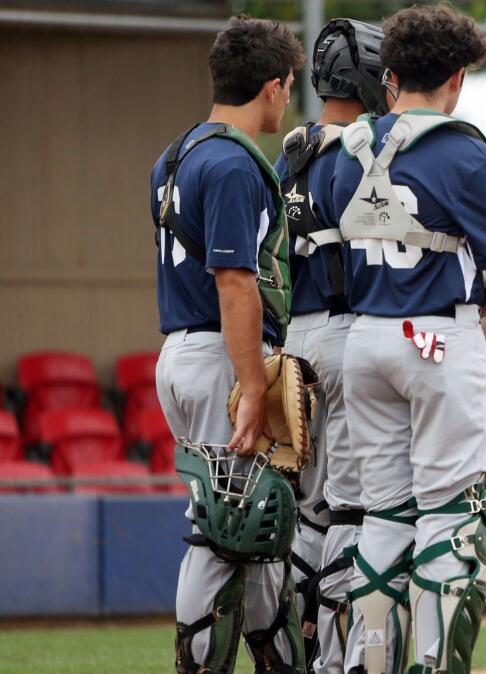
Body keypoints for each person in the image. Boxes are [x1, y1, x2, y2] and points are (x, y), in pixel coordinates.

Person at [327, 5, 486, 673]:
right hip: (436, 338)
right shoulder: (465, 151)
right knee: (447, 516)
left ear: (390, 75)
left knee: (382, 517)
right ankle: (435, 664)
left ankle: (370, 661)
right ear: (458, 76)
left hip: (364, 342)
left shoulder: (346, 148)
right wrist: (463, 317)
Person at [150, 16, 306, 674]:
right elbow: (235, 283)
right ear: (271, 88)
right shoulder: (234, 163)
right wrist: (249, 388)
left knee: (255, 531)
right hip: (221, 355)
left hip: (185, 350)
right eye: (289, 86)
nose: (289, 98)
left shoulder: (178, 153)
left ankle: (279, 661)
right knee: (226, 531)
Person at [273, 18, 389, 674]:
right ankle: (337, 656)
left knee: (310, 509)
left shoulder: (289, 154)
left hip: (295, 340)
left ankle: (297, 642)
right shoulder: (361, 150)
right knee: (349, 504)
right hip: (348, 335)